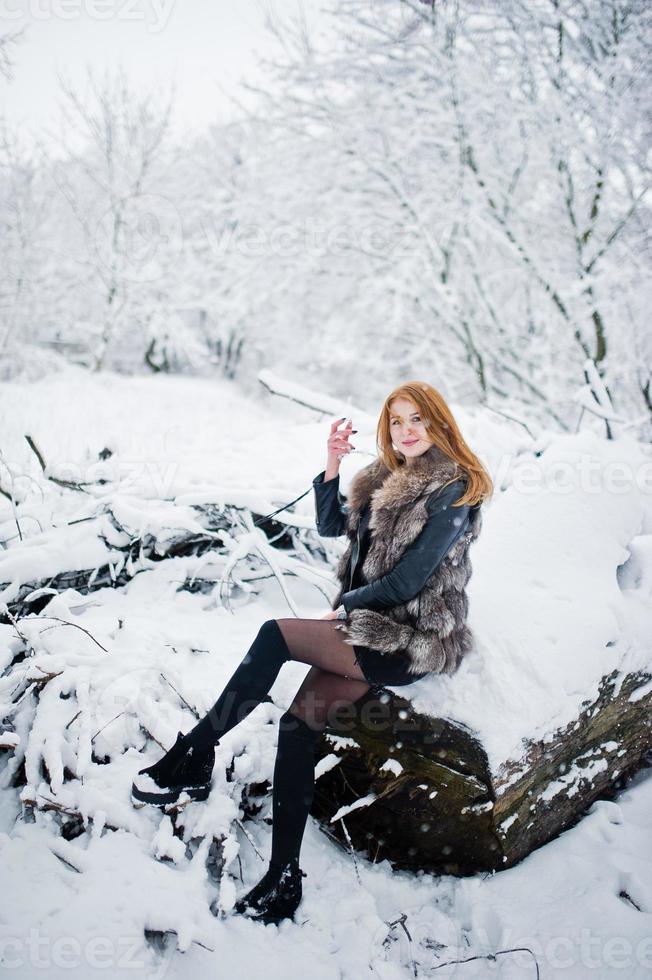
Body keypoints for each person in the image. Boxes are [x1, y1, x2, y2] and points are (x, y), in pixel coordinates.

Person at [130, 381, 492, 926]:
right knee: (296, 729)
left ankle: (194, 755)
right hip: (365, 626)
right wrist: (331, 463)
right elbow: (329, 527)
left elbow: (411, 581)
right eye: (396, 421)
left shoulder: (453, 489)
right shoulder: (385, 480)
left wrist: (344, 606)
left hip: (406, 638)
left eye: (417, 418)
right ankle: (283, 877)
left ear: (438, 421)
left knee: (276, 633)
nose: (406, 430)